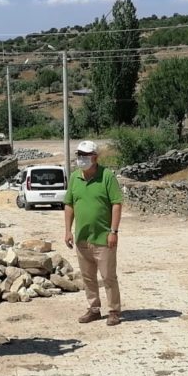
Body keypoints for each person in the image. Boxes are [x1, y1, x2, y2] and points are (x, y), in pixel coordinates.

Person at [64, 140, 123, 326]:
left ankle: (114, 311)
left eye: (85, 155)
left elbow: (116, 204)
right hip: (82, 237)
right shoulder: (75, 177)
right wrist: (67, 230)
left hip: (103, 237)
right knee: (88, 277)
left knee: (108, 277)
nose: (81, 159)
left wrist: (113, 231)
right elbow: (69, 204)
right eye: (79, 155)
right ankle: (94, 309)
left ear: (95, 158)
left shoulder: (107, 176)